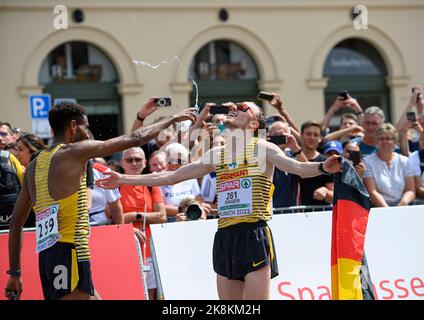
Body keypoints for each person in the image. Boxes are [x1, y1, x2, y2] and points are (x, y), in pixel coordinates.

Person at [96, 101, 342, 300]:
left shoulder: (263, 148)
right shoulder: (217, 154)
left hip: (253, 233)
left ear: (254, 123)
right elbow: (171, 176)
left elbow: (299, 168)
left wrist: (323, 166)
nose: (235, 107)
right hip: (225, 236)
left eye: (243, 107)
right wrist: (123, 179)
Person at [5, 101, 196, 300]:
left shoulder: (34, 166)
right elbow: (135, 138)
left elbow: (16, 222)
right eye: (85, 127)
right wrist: (173, 118)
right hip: (71, 252)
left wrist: (15, 273)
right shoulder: (75, 152)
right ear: (72, 126)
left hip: (48, 256)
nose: (88, 133)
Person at [119, 147, 166, 300]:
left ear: (145, 163)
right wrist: (132, 217)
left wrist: (134, 216)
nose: (134, 163)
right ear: (122, 163)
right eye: (129, 160)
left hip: (148, 248)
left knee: (150, 294)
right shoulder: (116, 185)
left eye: (138, 159)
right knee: (129, 292)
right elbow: (112, 219)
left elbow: (162, 216)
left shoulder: (152, 184)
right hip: (123, 247)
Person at [363, 123, 416, 207]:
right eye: (381, 139)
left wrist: (402, 204)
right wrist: (388, 211)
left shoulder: (405, 161)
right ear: (376, 141)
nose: (384, 142)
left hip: (402, 206)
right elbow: (372, 191)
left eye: (388, 139)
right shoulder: (367, 161)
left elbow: (410, 190)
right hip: (379, 207)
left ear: (395, 141)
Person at [267, 120, 307, 209]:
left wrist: (295, 148)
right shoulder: (264, 156)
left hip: (292, 211)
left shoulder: (294, 155)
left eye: (281, 135)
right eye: (275, 135)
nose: (279, 138)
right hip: (270, 211)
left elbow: (306, 169)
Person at [298, 121, 334, 206]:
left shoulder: (326, 162)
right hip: (292, 214)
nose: (312, 137)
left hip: (318, 215)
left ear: (320, 138)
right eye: (309, 134)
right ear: (301, 135)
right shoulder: (291, 158)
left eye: (316, 135)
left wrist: (325, 191)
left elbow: (333, 195)